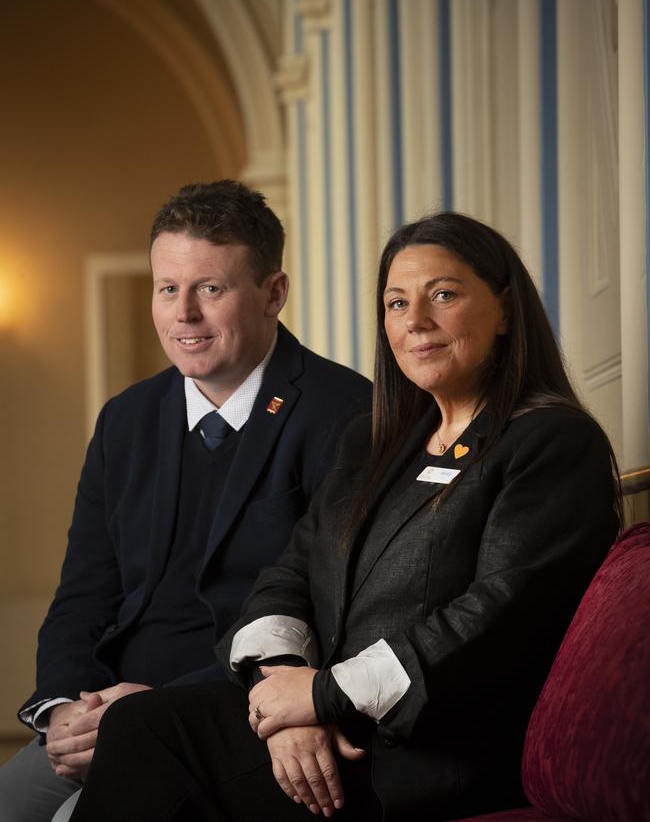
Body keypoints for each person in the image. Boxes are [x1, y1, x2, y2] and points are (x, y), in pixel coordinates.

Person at [67, 212, 621, 822]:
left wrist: (323, 696)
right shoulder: (376, 443)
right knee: (139, 723)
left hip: (425, 748)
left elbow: (497, 619)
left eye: (443, 295)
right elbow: (289, 574)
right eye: (396, 302)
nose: (415, 321)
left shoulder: (551, 442)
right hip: (330, 717)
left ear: (507, 310)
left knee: (148, 741)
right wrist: (282, 686)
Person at [0, 180, 371, 822]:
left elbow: (327, 613)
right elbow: (84, 591)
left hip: (223, 706)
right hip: (99, 711)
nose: (184, 315)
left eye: (210, 288)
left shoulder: (347, 414)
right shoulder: (126, 420)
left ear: (273, 294)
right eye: (167, 288)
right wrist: (62, 708)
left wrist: (145, 710)